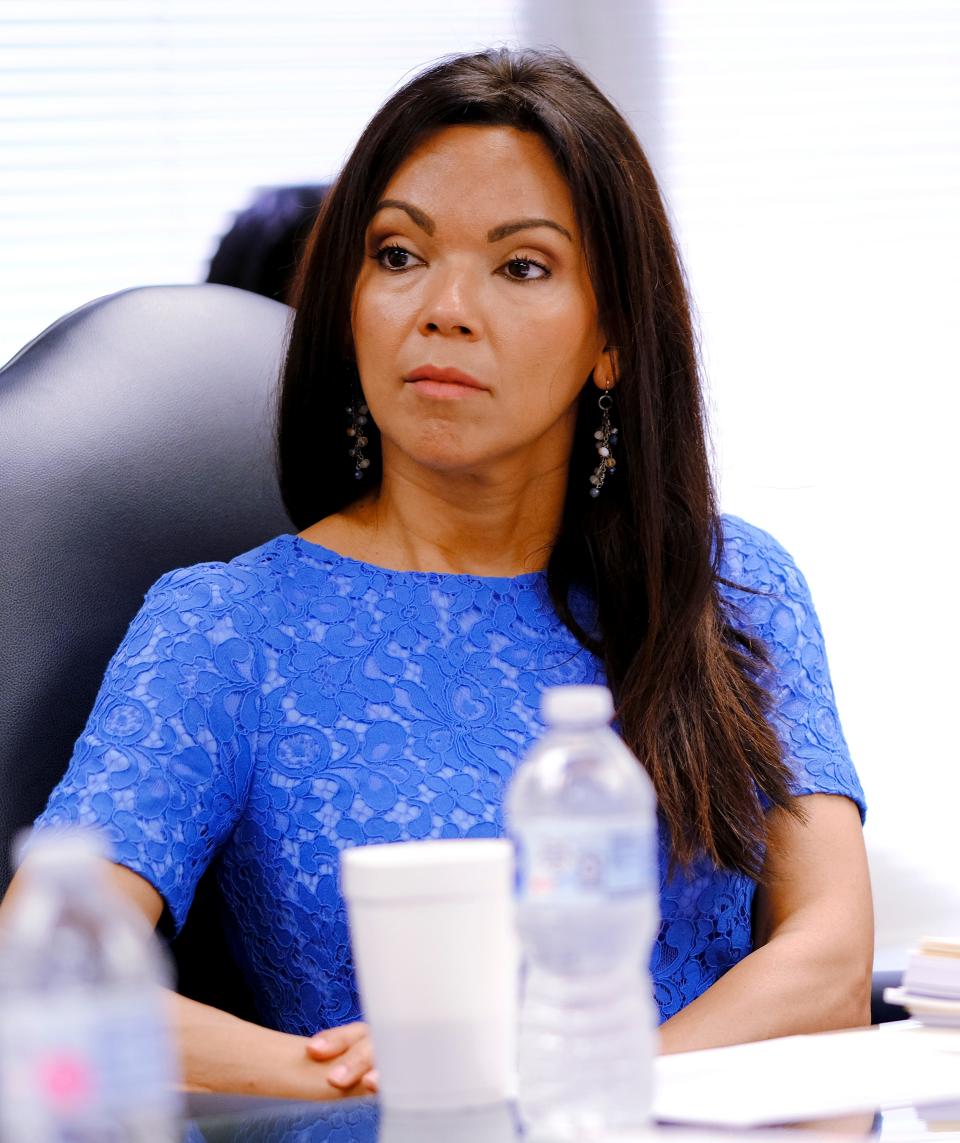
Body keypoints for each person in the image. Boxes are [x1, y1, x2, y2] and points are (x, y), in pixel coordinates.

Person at [0, 48, 872, 1099]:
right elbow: (35, 977)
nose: (445, 307)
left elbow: (828, 957)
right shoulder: (228, 628)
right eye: (400, 254)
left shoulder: (730, 586)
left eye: (522, 267)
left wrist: (567, 1077)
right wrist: (362, 1075)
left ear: (612, 340)